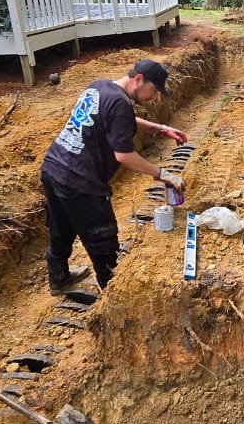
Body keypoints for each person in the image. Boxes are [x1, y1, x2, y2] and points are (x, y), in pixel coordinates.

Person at [40, 59, 187, 293]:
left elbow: (116, 119)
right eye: (155, 91)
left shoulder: (99, 87)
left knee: (61, 228)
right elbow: (124, 155)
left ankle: (58, 278)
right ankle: (111, 294)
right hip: (81, 180)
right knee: (103, 240)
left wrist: (159, 128)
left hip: (53, 168)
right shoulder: (120, 102)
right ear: (139, 79)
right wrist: (163, 174)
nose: (156, 98)